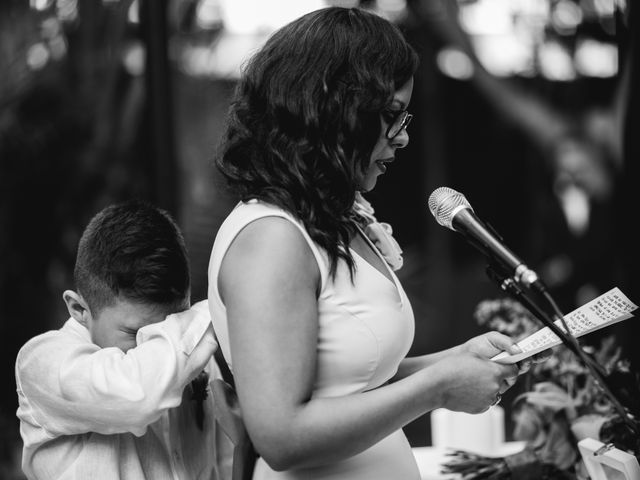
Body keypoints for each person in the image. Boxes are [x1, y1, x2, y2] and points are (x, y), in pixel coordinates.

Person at [207, 6, 533, 480]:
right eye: (391, 116)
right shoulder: (269, 240)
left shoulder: (335, 220)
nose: (401, 139)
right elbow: (282, 436)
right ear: (333, 111)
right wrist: (438, 389)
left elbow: (353, 380)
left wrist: (455, 361)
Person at [15, 200, 231, 480]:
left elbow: (223, 464)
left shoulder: (195, 355)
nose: (157, 342)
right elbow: (137, 395)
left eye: (175, 322)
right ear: (79, 309)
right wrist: (222, 304)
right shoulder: (42, 363)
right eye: (134, 333)